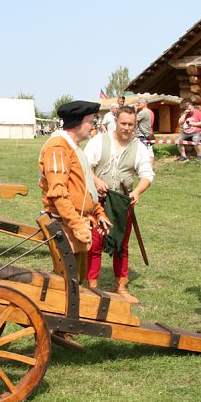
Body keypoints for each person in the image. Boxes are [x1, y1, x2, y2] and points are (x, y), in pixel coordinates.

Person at [84, 105, 154, 303]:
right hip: (98, 202)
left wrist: (137, 191)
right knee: (95, 244)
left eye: (130, 124)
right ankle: (93, 288)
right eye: (123, 123)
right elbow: (85, 165)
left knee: (121, 245)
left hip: (122, 202)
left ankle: (120, 287)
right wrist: (96, 182)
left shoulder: (139, 147)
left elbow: (147, 174)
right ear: (116, 122)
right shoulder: (99, 141)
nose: (126, 127)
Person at [38, 100, 111, 284]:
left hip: (76, 225)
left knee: (77, 284)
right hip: (65, 226)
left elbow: (84, 188)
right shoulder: (58, 148)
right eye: (91, 121)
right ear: (78, 122)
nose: (93, 126)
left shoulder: (73, 147)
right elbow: (58, 193)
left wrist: (97, 212)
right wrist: (77, 225)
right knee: (67, 286)